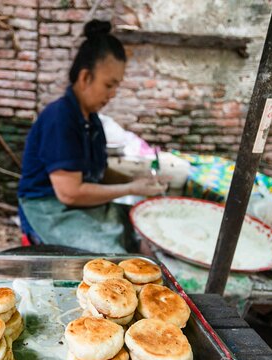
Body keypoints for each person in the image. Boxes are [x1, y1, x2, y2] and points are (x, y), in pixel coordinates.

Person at [17, 19, 167, 253]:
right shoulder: (60, 119)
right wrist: (131, 188)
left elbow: (98, 172)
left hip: (79, 205)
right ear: (85, 77)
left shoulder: (92, 120)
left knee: (146, 230)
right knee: (111, 261)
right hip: (49, 208)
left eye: (117, 86)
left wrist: (137, 179)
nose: (113, 94)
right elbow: (70, 193)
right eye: (109, 85)